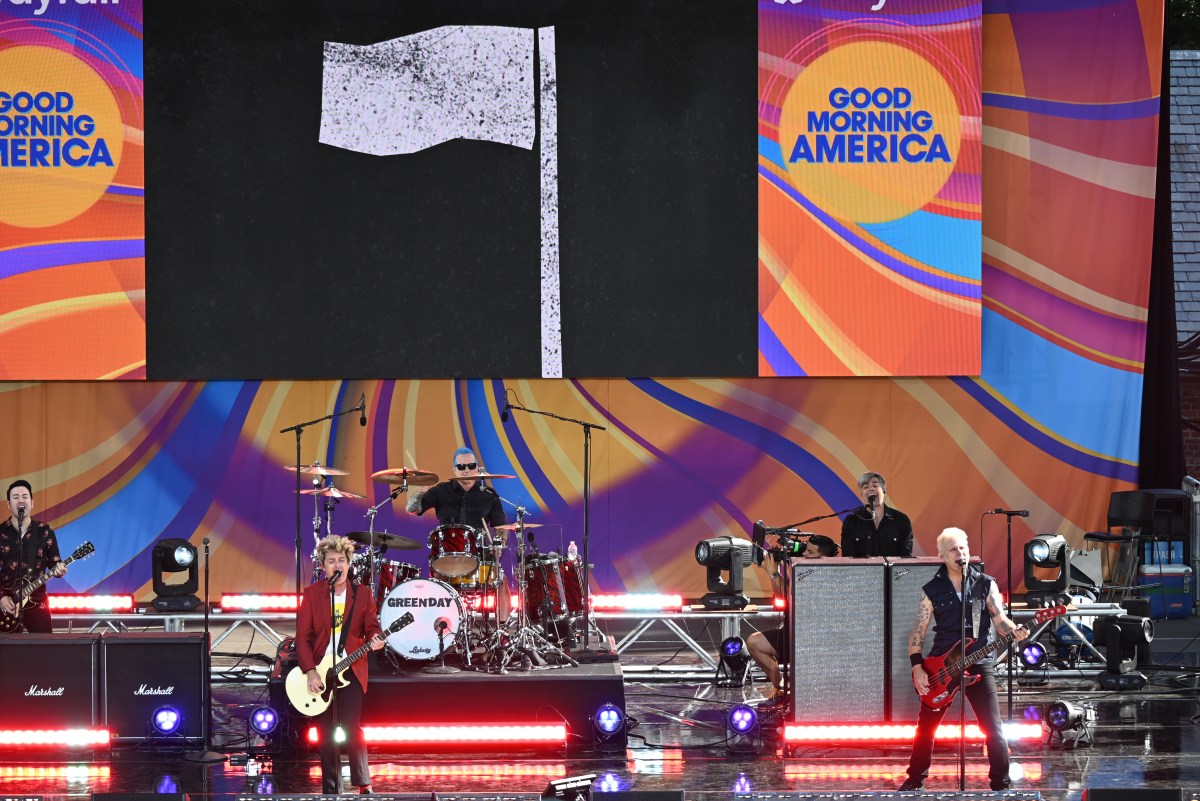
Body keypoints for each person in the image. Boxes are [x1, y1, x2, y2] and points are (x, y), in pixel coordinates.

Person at [898, 527, 1027, 793]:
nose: (961, 554)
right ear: (943, 556)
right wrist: (917, 667)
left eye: (964, 548)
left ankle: (1001, 785)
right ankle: (914, 781)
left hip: (978, 661)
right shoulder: (932, 590)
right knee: (926, 729)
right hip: (941, 665)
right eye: (954, 550)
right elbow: (918, 631)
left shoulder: (985, 584)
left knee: (993, 726)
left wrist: (1014, 630)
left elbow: (999, 619)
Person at [295, 534, 387, 795]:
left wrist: (375, 639)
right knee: (324, 733)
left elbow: (371, 628)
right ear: (323, 567)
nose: (338, 565)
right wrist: (310, 670)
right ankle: (331, 788)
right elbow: (303, 637)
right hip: (321, 671)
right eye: (332, 561)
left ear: (350, 564)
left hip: (351, 669)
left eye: (342, 560)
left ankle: (363, 783)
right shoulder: (313, 594)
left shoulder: (363, 594)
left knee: (350, 727)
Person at [407, 447, 510, 617]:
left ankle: (503, 630)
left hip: (479, 557)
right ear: (454, 469)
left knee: (501, 580)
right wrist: (419, 493)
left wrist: (499, 544)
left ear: (477, 467)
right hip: (446, 558)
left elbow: (501, 527)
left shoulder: (489, 495)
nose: (466, 470)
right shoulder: (441, 490)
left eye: (470, 466)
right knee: (436, 585)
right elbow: (412, 509)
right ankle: (438, 628)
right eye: (461, 467)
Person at [746, 533, 839, 708]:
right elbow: (785, 593)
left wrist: (774, 573)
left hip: (814, 638)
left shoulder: (825, 577)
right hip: (794, 631)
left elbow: (787, 598)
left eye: (810, 552)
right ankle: (779, 688)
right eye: (805, 549)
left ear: (822, 557)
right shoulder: (802, 567)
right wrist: (773, 571)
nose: (804, 554)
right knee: (754, 642)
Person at [0, 480, 67, 633]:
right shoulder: (1, 532)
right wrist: (2, 598)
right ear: (9, 504)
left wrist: (60, 570)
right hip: (6, 604)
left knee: (43, 651)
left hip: (37, 603)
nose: (21, 500)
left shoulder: (44, 531)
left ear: (32, 502)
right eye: (15, 497)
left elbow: (55, 562)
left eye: (25, 496)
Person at [840, 471, 913, 557]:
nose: (871, 489)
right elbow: (849, 559)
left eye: (875, 485)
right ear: (861, 494)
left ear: (884, 490)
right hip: (862, 570)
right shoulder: (851, 521)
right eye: (865, 487)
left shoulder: (901, 520)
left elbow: (906, 558)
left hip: (891, 570)